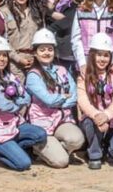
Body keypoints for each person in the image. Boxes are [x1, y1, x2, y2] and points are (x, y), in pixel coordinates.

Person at [0, 36, 47, 171]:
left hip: (15, 123)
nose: (2, 59)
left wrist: (17, 102)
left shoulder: (9, 76)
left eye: (4, 55)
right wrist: (19, 103)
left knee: (40, 134)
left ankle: (12, 149)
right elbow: (4, 106)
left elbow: (27, 96)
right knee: (24, 164)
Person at [26, 29, 84, 168]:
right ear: (35, 52)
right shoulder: (33, 76)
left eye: (50, 49)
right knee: (61, 162)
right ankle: (39, 149)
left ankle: (55, 149)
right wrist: (64, 97)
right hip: (43, 125)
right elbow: (49, 101)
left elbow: (74, 95)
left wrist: (60, 101)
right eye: (42, 49)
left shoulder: (62, 70)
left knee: (77, 140)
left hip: (61, 120)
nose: (47, 53)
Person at [77, 33, 113, 169]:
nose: (102, 59)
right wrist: (97, 116)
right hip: (94, 119)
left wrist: (106, 115)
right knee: (89, 122)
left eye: (106, 55)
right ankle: (95, 154)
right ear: (92, 55)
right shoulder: (84, 75)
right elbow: (82, 99)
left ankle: (107, 144)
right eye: (99, 54)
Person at [1, 0, 44, 79]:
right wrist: (19, 59)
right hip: (14, 62)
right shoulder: (4, 12)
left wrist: (37, 56)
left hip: (35, 59)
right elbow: (4, 40)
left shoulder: (36, 11)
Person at [48, 0, 86, 72]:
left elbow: (68, 21)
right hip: (61, 51)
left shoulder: (82, 0)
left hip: (72, 53)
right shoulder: (65, 0)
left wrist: (48, 31)